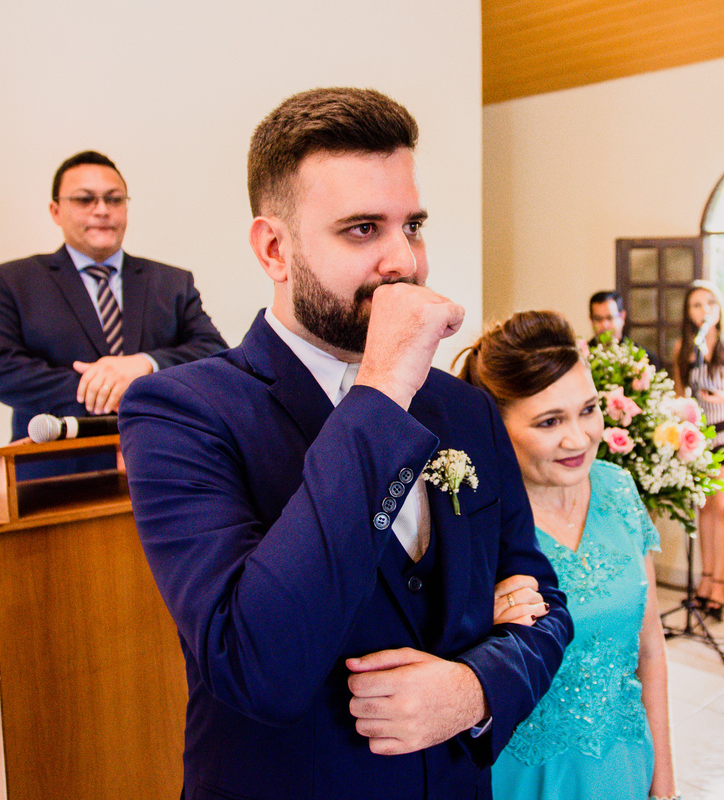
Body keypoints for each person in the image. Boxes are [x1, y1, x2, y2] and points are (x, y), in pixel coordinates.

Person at [116, 88, 573, 800]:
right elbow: (255, 663)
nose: (404, 260)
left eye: (412, 225)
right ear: (275, 248)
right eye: (363, 229)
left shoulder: (467, 410)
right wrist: (384, 387)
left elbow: (540, 596)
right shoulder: (182, 413)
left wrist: (476, 688)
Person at [457, 310, 678, 800]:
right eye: (549, 421)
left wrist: (663, 781)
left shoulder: (618, 489)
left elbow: (650, 649)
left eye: (588, 409)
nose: (578, 439)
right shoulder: (473, 522)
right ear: (496, 426)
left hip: (621, 762)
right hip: (523, 776)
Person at [0, 150, 226, 477]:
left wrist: (142, 366)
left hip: (167, 464)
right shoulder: (12, 281)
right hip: (55, 472)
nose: (102, 210)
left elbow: (214, 352)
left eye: (114, 199)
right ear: (56, 210)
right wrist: (103, 388)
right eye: (84, 199)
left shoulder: (172, 282)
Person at [672, 279, 724, 618]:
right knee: (704, 509)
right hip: (703, 436)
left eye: (710, 304)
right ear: (688, 313)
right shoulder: (684, 349)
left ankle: (722, 583)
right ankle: (704, 581)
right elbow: (679, 394)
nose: (704, 311)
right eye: (696, 305)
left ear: (720, 309)